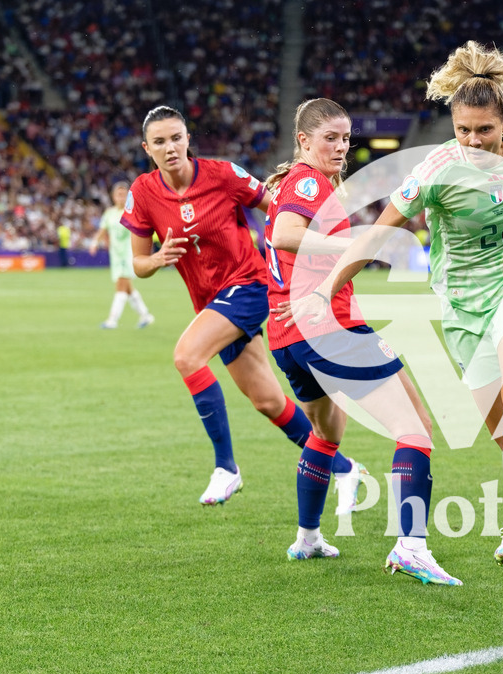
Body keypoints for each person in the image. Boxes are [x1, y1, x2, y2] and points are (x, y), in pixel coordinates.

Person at [281, 42, 503, 568]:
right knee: (498, 423)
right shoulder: (435, 170)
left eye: (484, 130)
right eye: (462, 130)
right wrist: (323, 286)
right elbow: (375, 237)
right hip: (461, 305)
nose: (472, 141)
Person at [121, 105, 365, 510]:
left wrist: (305, 249)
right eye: (160, 142)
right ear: (147, 148)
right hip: (210, 303)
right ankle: (344, 468)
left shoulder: (222, 174)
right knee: (268, 402)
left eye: (177, 137)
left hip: (249, 286)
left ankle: (225, 468)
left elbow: (278, 205)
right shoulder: (143, 193)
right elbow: (138, 265)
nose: (171, 147)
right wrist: (160, 257)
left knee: (187, 356)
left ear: (187, 139)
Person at [264, 98, 461, 586]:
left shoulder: (310, 185)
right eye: (330, 138)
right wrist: (357, 245)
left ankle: (307, 538)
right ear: (304, 141)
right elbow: (286, 236)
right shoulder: (307, 181)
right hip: (330, 328)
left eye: (346, 138)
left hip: (287, 337)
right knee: (416, 427)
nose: (341, 146)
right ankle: (410, 546)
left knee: (326, 434)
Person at [88, 181, 155, 329]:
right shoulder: (109, 213)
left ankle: (112, 320)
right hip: (116, 255)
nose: (121, 197)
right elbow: (102, 230)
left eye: (124, 194)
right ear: (113, 196)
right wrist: (94, 243)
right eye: (118, 194)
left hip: (127, 254)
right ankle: (146, 315)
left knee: (121, 285)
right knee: (128, 287)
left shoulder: (131, 212)